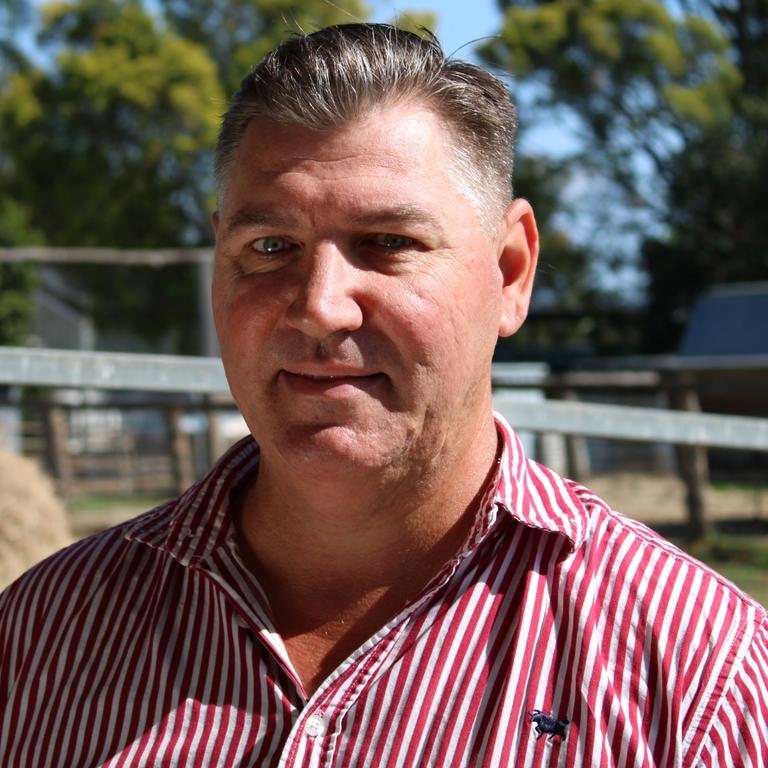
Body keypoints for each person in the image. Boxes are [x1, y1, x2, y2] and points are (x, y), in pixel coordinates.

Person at [1, 23, 766, 767]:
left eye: (389, 242)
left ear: (509, 271)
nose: (320, 304)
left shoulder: (701, 682)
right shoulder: (46, 634)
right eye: (270, 248)